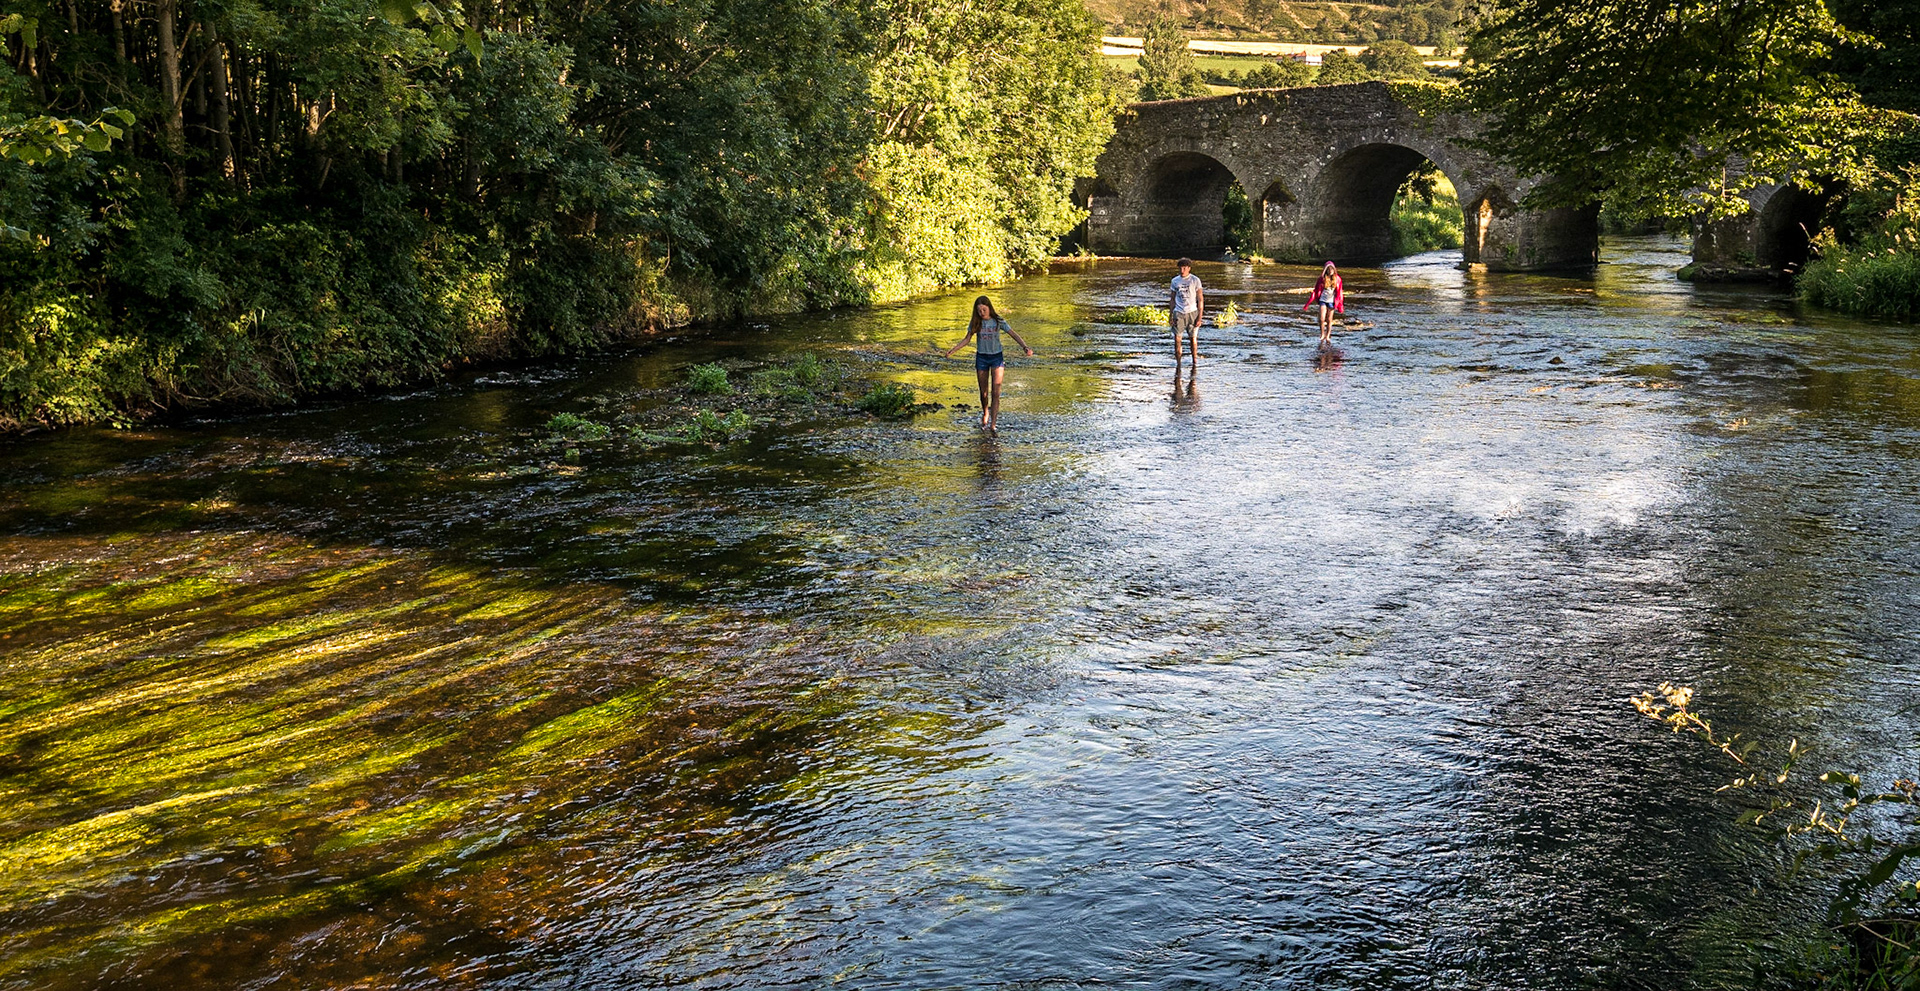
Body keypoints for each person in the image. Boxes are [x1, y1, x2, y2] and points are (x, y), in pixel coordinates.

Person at [943, 295, 1032, 432]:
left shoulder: (998, 321)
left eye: (984, 310)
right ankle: (985, 412)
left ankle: (993, 424)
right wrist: (953, 350)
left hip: (997, 357)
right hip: (982, 358)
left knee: (996, 392)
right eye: (979, 311)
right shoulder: (976, 322)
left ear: (989, 308)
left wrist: (1025, 347)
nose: (982, 313)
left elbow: (1013, 334)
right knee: (983, 392)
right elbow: (967, 339)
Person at [1169, 258, 1204, 366]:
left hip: (1192, 312)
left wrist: (1200, 317)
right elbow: (1172, 299)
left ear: (1189, 268)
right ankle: (1178, 363)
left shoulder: (1195, 280)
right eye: (1180, 268)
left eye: (1184, 268)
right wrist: (1170, 315)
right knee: (1177, 339)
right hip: (1179, 312)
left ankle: (1194, 361)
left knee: (1193, 339)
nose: (1182, 270)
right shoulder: (1175, 281)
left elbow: (1200, 299)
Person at [1302, 261, 1344, 347]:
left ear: (1334, 270)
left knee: (1329, 320)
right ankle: (1322, 334)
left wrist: (1340, 306)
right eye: (1328, 269)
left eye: (1332, 269)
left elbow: (1339, 293)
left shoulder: (1338, 279)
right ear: (1326, 270)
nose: (1330, 271)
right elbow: (1315, 291)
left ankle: (1328, 336)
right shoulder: (1321, 279)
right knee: (1321, 319)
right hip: (1323, 300)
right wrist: (1307, 304)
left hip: (1332, 302)